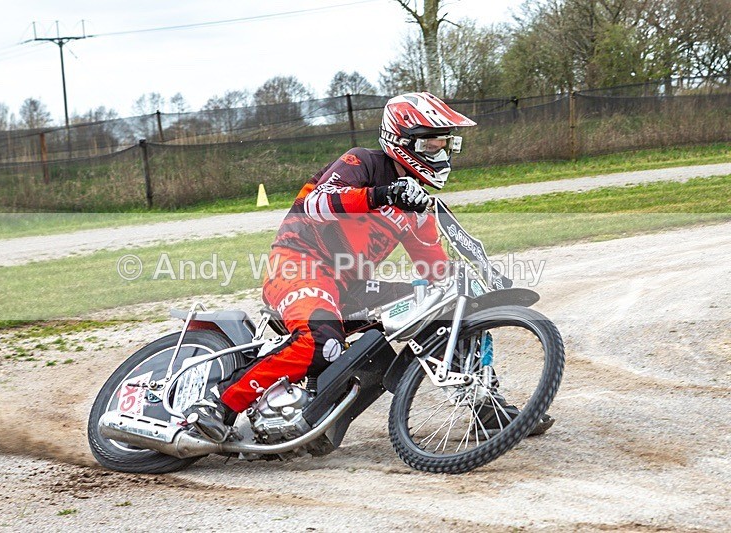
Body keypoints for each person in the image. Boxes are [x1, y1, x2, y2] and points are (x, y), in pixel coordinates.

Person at [185, 92, 552, 442]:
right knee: (321, 341)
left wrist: (469, 282)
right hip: (299, 264)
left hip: (350, 287)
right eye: (430, 145)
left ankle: (484, 404)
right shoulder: (362, 163)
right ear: (402, 141)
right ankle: (216, 405)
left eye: (445, 145)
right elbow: (315, 204)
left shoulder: (417, 209)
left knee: (442, 305)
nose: (440, 153)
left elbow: (434, 271)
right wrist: (382, 194)